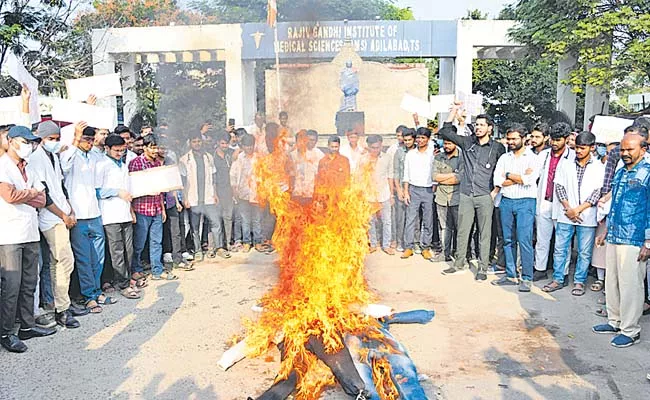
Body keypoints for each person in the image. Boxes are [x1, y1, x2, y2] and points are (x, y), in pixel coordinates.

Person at [0, 126, 57, 353]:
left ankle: (27, 326)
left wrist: (30, 194)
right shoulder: (3, 166)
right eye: (25, 142)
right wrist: (31, 193)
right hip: (9, 235)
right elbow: (10, 196)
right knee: (11, 286)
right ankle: (5, 333)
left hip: (30, 232)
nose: (29, 146)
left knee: (28, 283)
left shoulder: (29, 167)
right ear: (12, 141)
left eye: (32, 142)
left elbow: (42, 199)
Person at [592, 133, 650, 348]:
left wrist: (648, 242)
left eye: (630, 150)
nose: (625, 153)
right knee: (613, 282)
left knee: (631, 286)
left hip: (634, 238)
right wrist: (606, 230)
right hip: (615, 233)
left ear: (643, 150)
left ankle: (630, 330)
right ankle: (614, 321)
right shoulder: (621, 171)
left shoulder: (647, 173)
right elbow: (614, 204)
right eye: (622, 150)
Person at [29, 121, 87, 328]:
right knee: (65, 261)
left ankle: (62, 305)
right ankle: (62, 309)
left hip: (62, 215)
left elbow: (60, 185)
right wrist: (63, 214)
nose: (54, 142)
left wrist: (69, 207)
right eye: (50, 139)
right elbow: (44, 195)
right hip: (51, 218)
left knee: (59, 263)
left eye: (56, 139)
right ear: (42, 138)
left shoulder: (52, 156)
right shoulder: (36, 160)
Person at [439, 105, 506, 279]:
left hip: (486, 195)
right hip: (466, 194)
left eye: (482, 125)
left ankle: (483, 268)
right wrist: (453, 111)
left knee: (485, 233)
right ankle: (458, 263)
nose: (478, 127)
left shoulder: (497, 148)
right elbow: (445, 131)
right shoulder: (467, 142)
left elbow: (501, 171)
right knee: (463, 230)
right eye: (476, 124)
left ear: (490, 128)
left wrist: (495, 191)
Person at [542, 132, 604, 295]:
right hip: (565, 213)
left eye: (582, 148)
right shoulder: (566, 164)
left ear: (592, 148)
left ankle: (579, 281)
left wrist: (577, 210)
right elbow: (559, 187)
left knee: (584, 251)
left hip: (586, 215)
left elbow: (597, 192)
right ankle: (558, 279)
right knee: (560, 248)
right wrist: (568, 208)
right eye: (577, 148)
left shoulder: (598, 167)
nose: (578, 151)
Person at [60, 122, 110, 313]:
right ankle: (89, 296)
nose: (89, 143)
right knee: (83, 259)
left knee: (98, 257)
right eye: (85, 139)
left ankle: (97, 292)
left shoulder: (94, 156)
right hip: (78, 216)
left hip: (95, 213)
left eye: (91, 139)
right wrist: (76, 137)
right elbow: (64, 167)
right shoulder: (70, 155)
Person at [491, 124, 540, 291]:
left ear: (523, 138)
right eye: (509, 139)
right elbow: (497, 181)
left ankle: (526, 277)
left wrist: (508, 175)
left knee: (524, 240)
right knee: (507, 239)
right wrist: (516, 177)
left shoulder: (532, 158)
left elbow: (529, 180)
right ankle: (511, 274)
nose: (510, 142)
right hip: (506, 201)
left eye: (514, 139)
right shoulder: (504, 158)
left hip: (525, 202)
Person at [95, 135, 143, 299]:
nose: (120, 153)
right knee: (116, 251)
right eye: (117, 150)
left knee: (128, 250)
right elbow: (96, 190)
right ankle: (122, 284)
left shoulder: (123, 165)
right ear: (107, 148)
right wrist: (116, 192)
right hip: (110, 214)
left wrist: (131, 211)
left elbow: (128, 191)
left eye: (123, 150)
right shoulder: (101, 165)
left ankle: (126, 278)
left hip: (124, 214)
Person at [129, 135, 177, 281]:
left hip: (156, 207)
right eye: (153, 147)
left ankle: (157, 270)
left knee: (157, 241)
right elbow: (132, 188)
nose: (156, 150)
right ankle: (136, 268)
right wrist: (131, 211)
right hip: (141, 208)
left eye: (157, 147)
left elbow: (161, 189)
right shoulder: (135, 163)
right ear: (145, 147)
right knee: (139, 243)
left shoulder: (157, 165)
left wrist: (162, 208)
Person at [533, 122, 575, 282]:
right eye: (553, 139)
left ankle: (562, 272)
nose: (554, 143)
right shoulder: (543, 155)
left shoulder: (572, 156)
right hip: (544, 201)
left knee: (562, 242)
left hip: (564, 204)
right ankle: (540, 268)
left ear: (566, 139)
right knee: (542, 239)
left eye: (558, 140)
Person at [179, 133, 224, 261]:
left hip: (208, 196)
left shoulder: (209, 157)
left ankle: (217, 248)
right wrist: (185, 198)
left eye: (199, 141)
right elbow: (183, 182)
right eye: (194, 141)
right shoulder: (184, 159)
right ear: (190, 143)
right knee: (195, 227)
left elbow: (214, 178)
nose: (197, 144)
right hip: (193, 198)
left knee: (215, 223)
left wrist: (215, 194)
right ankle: (198, 250)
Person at [401, 127, 435, 261]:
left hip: (428, 190)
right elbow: (406, 174)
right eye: (419, 138)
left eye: (423, 138)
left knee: (428, 220)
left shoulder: (433, 153)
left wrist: (434, 188)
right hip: (413, 190)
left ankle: (425, 247)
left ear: (428, 139)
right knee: (410, 220)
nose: (420, 140)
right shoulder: (410, 154)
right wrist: (406, 191)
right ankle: (408, 247)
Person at [358, 135, 393, 254]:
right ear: (368, 147)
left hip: (384, 194)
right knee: (371, 221)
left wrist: (392, 195)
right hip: (369, 196)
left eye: (377, 147)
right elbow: (360, 178)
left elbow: (390, 177)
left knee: (386, 221)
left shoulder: (387, 158)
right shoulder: (363, 159)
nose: (375, 150)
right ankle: (373, 244)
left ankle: (386, 245)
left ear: (381, 145)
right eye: (373, 148)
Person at [230, 134, 262, 252]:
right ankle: (247, 242)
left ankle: (258, 242)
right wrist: (235, 191)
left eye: (251, 146)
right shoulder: (239, 158)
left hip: (256, 193)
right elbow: (233, 175)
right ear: (242, 146)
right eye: (247, 146)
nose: (249, 148)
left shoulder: (258, 158)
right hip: (243, 193)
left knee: (257, 219)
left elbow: (264, 175)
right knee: (245, 219)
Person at [433, 139, 463, 262]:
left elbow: (460, 178)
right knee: (444, 227)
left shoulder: (462, 157)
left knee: (459, 228)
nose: (447, 146)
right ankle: (444, 254)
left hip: (457, 197)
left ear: (455, 143)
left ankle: (460, 255)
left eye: (449, 143)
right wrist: (452, 175)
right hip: (441, 197)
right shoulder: (439, 157)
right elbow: (434, 176)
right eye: (445, 143)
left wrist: (444, 178)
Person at [393, 128, 416, 252]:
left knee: (414, 218)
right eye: (405, 139)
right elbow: (396, 172)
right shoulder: (399, 152)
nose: (407, 142)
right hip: (402, 188)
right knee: (401, 218)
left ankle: (414, 242)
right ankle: (400, 242)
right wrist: (398, 189)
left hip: (415, 188)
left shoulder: (419, 151)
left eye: (409, 140)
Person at [213, 132, 235, 258]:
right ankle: (218, 246)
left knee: (228, 217)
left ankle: (227, 243)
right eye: (222, 143)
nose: (225, 145)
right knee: (217, 219)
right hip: (217, 192)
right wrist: (214, 193)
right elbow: (213, 178)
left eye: (227, 143)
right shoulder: (213, 157)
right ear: (218, 143)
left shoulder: (230, 155)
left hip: (229, 191)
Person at [291, 130, 324, 205]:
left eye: (313, 140)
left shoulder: (320, 154)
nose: (310, 142)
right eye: (309, 139)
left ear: (316, 141)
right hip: (298, 192)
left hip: (312, 192)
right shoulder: (295, 153)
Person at [314, 135, 351, 199]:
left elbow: (347, 178)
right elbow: (319, 180)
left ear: (339, 146)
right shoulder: (323, 161)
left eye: (336, 147)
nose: (334, 149)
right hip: (327, 195)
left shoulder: (344, 160)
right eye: (332, 147)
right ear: (328, 146)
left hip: (340, 195)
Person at [387, 125, 406, 249]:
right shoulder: (392, 149)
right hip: (396, 186)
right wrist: (394, 189)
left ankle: (408, 241)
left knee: (409, 217)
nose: (400, 138)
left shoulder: (410, 148)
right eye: (398, 135)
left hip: (409, 187)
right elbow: (392, 171)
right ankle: (397, 240)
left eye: (402, 135)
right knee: (397, 216)